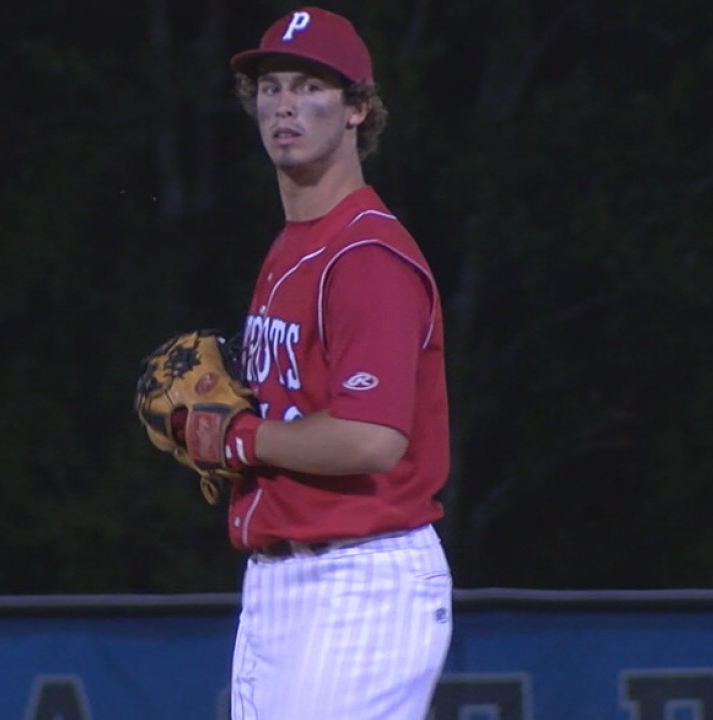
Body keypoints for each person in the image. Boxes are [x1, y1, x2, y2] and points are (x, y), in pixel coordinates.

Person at [218, 8, 453, 718]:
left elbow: (369, 437)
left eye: (311, 86)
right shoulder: (296, 244)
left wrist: (236, 437)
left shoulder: (364, 254)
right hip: (284, 574)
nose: (284, 104)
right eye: (270, 87)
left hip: (361, 577)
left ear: (356, 109)